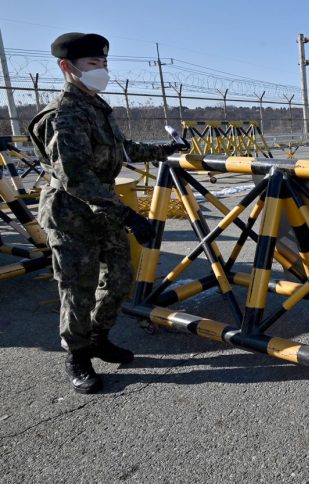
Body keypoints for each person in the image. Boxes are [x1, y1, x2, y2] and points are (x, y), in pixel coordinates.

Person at [28, 33, 183, 394]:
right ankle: (77, 356)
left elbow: (123, 149)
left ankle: (98, 337)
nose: (102, 70)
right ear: (68, 68)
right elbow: (74, 177)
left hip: (103, 209)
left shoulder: (97, 106)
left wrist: (166, 150)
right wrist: (128, 215)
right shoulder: (65, 114)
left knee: (117, 278)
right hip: (71, 213)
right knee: (77, 289)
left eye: (103, 64)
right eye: (92, 64)